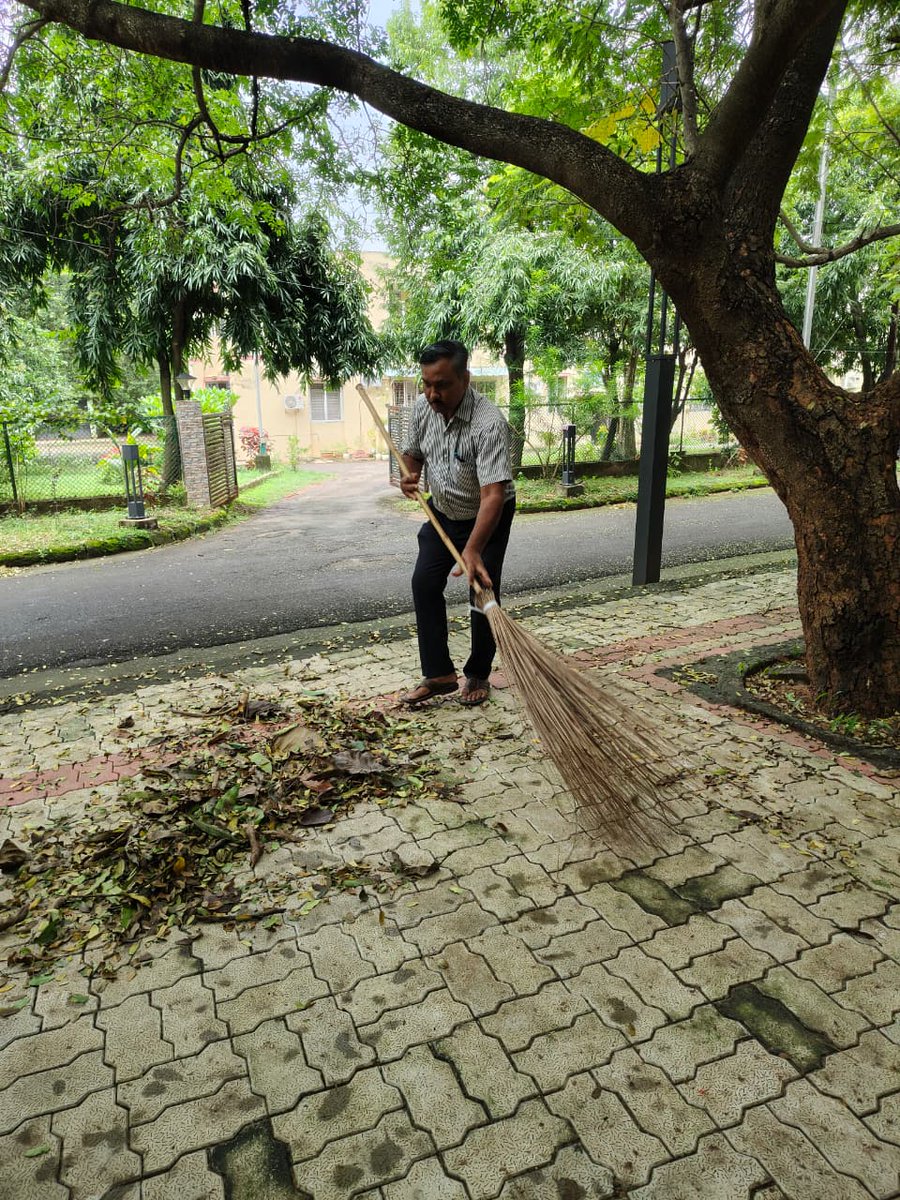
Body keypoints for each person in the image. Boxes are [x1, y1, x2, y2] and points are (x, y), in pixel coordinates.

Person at [399, 340, 516, 707]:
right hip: (444, 510)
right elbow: (412, 454)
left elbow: (493, 496)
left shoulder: (488, 423)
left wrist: (474, 549)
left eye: (443, 385)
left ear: (465, 378)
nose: (433, 393)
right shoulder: (423, 408)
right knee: (424, 581)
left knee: (481, 590)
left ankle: (478, 673)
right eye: (427, 384)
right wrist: (410, 475)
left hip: (487, 514)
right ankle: (439, 674)